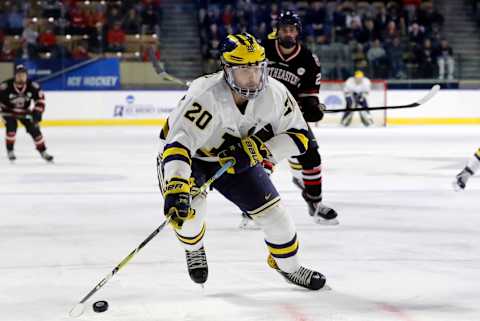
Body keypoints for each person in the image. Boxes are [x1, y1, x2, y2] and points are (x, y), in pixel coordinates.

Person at [157, 33, 327, 290]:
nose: (252, 77)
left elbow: (301, 138)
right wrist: (177, 184)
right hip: (192, 158)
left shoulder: (276, 93)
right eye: (244, 70)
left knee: (278, 220)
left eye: (258, 68)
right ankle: (193, 247)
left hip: (236, 158)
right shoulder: (205, 95)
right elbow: (179, 144)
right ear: (226, 69)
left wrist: (260, 150)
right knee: (190, 216)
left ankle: (289, 268)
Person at [239, 11, 339, 229]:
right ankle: (252, 209)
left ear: (298, 32)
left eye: (292, 29)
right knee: (259, 158)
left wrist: (312, 107)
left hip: (290, 116)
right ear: (278, 31)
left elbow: (309, 94)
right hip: (260, 116)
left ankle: (315, 204)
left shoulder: (308, 60)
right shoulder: (261, 50)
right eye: (284, 29)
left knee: (312, 157)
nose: (288, 33)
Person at [0, 65, 53, 162]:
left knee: (35, 130)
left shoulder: (33, 86)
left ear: (26, 75)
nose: (21, 77)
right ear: (15, 75)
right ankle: (10, 150)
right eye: (19, 75)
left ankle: (43, 152)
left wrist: (37, 112)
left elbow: (40, 100)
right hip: (8, 112)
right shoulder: (5, 86)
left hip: (25, 112)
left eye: (23, 75)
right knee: (11, 128)